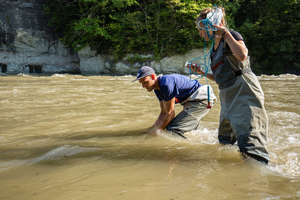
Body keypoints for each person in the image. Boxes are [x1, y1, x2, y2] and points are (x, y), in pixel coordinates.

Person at [188, 6, 270, 164]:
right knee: (225, 141)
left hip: (244, 92)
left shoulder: (232, 35)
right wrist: (202, 73)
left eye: (201, 28)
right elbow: (222, 79)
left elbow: (242, 55)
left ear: (211, 24)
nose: (200, 33)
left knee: (251, 145)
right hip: (227, 96)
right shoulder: (213, 49)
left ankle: (257, 179)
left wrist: (225, 33)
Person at [133, 66, 216, 138]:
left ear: (153, 77)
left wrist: (158, 131)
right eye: (141, 83)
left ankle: (184, 151)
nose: (143, 86)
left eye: (145, 82)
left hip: (202, 98)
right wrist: (151, 129)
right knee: (173, 127)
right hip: (194, 100)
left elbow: (170, 113)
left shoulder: (166, 85)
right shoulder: (157, 89)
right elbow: (163, 112)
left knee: (173, 129)